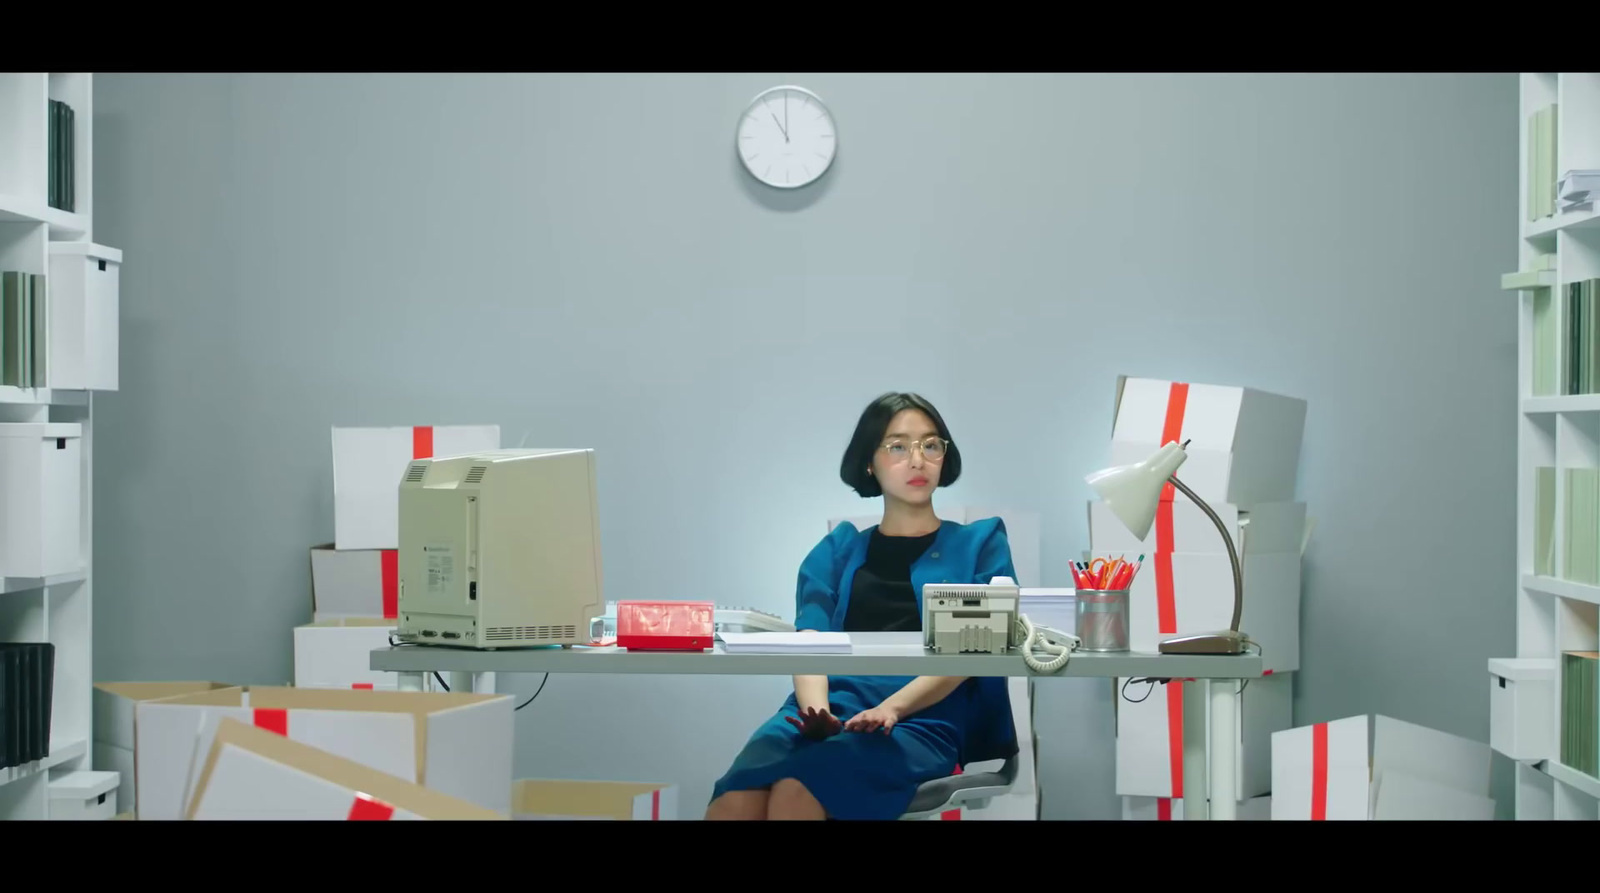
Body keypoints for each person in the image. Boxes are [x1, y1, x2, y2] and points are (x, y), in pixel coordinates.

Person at [705, 392, 1019, 821]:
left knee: (798, 793)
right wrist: (818, 711)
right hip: (825, 707)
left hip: (922, 717)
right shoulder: (837, 550)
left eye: (930, 445)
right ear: (869, 462)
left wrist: (892, 709)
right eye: (897, 446)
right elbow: (809, 640)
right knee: (736, 801)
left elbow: (970, 653)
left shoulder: (980, 544)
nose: (917, 459)